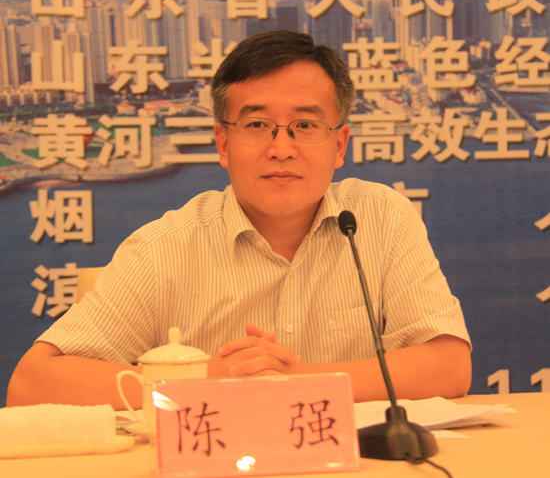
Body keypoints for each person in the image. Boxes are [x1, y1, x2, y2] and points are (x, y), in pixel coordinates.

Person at [7, 30, 471, 409]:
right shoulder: (164, 248)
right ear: (223, 144)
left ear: (339, 144)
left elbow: (450, 365)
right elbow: (31, 384)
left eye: (305, 126)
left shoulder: (381, 219)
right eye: (256, 125)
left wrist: (301, 382)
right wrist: (204, 379)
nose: (282, 148)